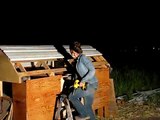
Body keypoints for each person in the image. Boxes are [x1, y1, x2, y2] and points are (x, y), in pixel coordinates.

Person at [68, 41, 98, 120]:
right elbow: (80, 73)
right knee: (88, 106)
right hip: (90, 85)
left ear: (74, 52)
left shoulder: (83, 58)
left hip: (91, 85)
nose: (71, 54)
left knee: (71, 96)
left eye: (71, 52)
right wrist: (77, 82)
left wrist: (83, 81)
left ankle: (83, 114)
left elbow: (92, 70)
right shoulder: (78, 60)